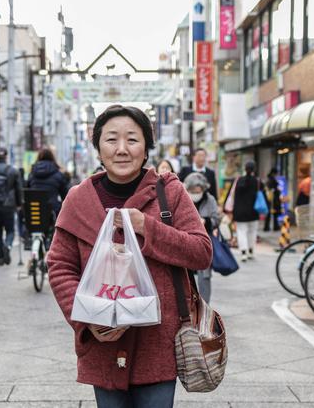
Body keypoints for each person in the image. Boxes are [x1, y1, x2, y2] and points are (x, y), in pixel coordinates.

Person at [47, 104, 213, 407]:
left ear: (147, 148)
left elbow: (201, 252)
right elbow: (60, 266)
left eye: (132, 139)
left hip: (159, 347)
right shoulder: (78, 199)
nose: (122, 149)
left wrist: (146, 227)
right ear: (98, 148)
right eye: (111, 139)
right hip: (102, 344)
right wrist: (87, 321)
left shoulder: (170, 193)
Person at [184, 172, 220, 303]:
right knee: (185, 276)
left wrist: (206, 221)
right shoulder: (182, 198)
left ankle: (205, 306)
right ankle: (188, 305)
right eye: (193, 190)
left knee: (204, 276)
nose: (196, 193)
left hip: (204, 242)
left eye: (198, 190)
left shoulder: (210, 199)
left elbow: (216, 219)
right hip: (186, 242)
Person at [228, 161, 263, 262]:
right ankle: (251, 251)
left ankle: (243, 252)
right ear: (254, 169)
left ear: (245, 168)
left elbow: (232, 196)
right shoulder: (257, 181)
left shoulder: (238, 180)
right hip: (253, 211)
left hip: (239, 212)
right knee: (252, 232)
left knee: (241, 232)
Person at [27, 148, 70, 220]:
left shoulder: (31, 175)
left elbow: (27, 193)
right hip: (53, 212)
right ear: (52, 158)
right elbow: (65, 196)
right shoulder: (58, 175)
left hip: (34, 213)